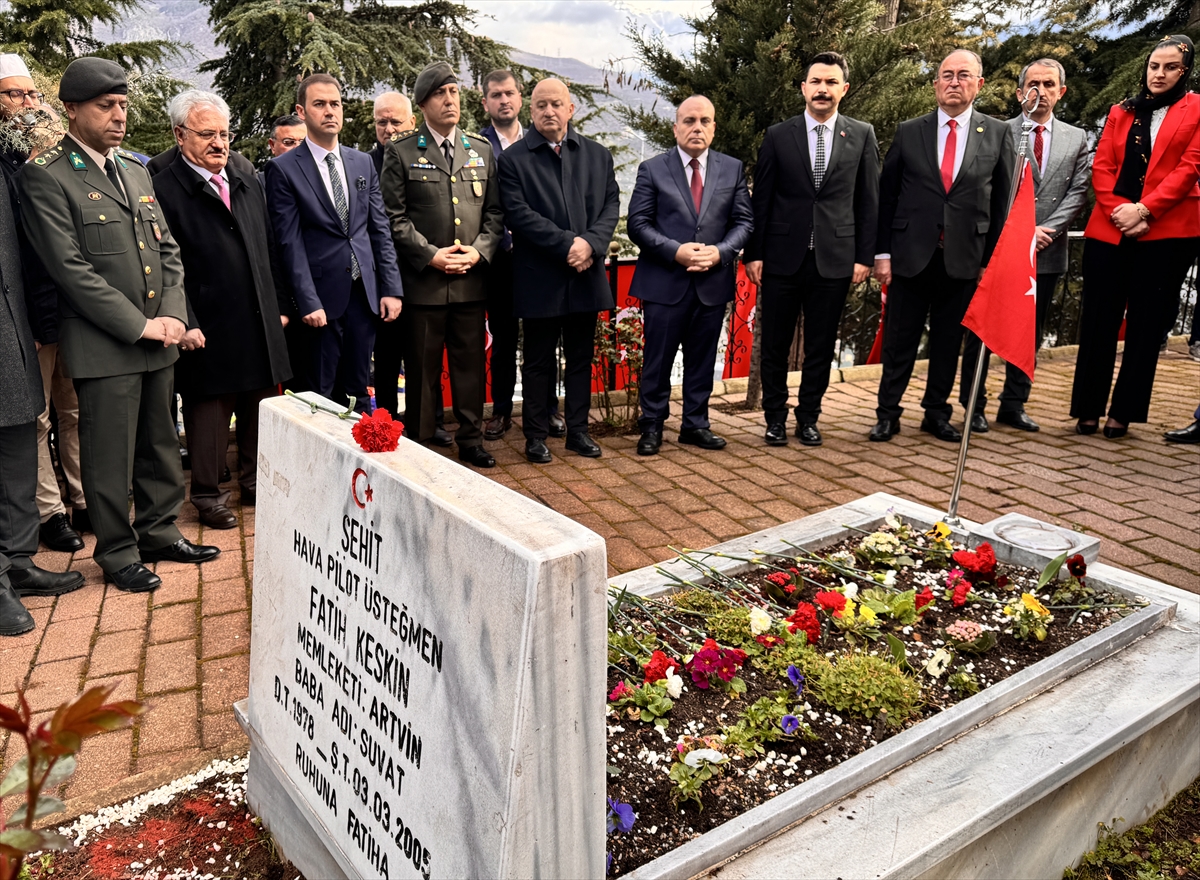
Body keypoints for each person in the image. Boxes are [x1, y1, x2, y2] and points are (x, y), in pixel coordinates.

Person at [19, 57, 220, 593]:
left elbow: (167, 250)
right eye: (105, 106)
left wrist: (174, 313)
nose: (119, 116)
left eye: (124, 106)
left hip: (160, 334)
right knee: (108, 454)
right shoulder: (46, 178)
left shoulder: (134, 169)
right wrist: (140, 325)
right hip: (106, 342)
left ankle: (158, 531)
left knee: (158, 443)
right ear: (71, 109)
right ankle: (116, 551)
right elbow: (70, 271)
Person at [152, 90, 292, 529]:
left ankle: (255, 482)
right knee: (209, 409)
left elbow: (269, 243)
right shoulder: (161, 184)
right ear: (179, 135)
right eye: (207, 134)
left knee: (259, 403)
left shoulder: (244, 172)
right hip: (206, 319)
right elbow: (160, 265)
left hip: (257, 313)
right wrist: (186, 320)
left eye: (224, 134)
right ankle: (208, 495)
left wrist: (281, 304)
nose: (219, 143)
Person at [870, 49, 1014, 443]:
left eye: (963, 75)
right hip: (910, 257)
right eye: (946, 75)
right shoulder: (909, 130)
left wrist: (991, 262)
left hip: (965, 260)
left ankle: (936, 412)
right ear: (935, 84)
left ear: (978, 84)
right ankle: (888, 413)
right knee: (899, 342)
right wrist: (882, 253)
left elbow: (1000, 203)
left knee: (948, 343)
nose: (954, 82)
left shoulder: (998, 133)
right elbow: (888, 198)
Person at [745, 52, 879, 447]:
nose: (823, 89)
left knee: (821, 347)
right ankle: (774, 419)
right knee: (774, 346)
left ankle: (808, 418)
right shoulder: (778, 135)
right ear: (804, 88)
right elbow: (762, 200)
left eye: (831, 82)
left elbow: (868, 201)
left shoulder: (861, 134)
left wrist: (863, 257)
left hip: (835, 261)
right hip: (783, 258)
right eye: (816, 82)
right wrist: (754, 253)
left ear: (844, 89)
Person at [1070, 36, 1200, 439]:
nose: (1159, 74)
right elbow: (1103, 165)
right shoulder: (1120, 111)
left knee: (1146, 325)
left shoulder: (1197, 108)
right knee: (1097, 323)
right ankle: (1087, 409)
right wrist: (1119, 211)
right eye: (1154, 66)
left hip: (1167, 230)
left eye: (1169, 68)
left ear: (1185, 71)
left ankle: (1122, 413)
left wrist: (1145, 210)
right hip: (1111, 227)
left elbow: (1190, 167)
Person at [381, 62, 503, 469]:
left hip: (470, 281)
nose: (449, 100)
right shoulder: (401, 151)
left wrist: (480, 251)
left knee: (470, 368)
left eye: (453, 92)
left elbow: (495, 213)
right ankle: (419, 444)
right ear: (422, 104)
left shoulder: (480, 149)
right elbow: (392, 218)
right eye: (440, 94)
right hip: (425, 284)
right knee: (421, 372)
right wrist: (430, 254)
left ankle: (470, 439)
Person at [960, 58, 1091, 433]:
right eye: (1033, 84)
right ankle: (974, 402)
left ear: (1061, 91)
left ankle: (1014, 404)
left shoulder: (1076, 138)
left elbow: (1079, 191)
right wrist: (1020, 230)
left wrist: (1045, 230)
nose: (1041, 92)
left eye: (1049, 84)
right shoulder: (999, 131)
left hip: (1047, 251)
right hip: (1001, 250)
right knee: (981, 329)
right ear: (1020, 93)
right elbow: (985, 189)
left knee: (1028, 333)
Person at [264, 73, 403, 412]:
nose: (330, 111)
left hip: (363, 297)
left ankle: (359, 463)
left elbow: (378, 229)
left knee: (358, 388)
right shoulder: (282, 169)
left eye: (335, 104)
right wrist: (308, 301)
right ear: (302, 110)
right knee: (320, 394)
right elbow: (289, 242)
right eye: (320, 104)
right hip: (320, 303)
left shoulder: (362, 162)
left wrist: (391, 288)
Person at [498, 79, 620, 463]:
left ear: (571, 109)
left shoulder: (597, 156)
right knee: (537, 361)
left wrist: (591, 244)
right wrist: (569, 244)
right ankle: (535, 435)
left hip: (585, 271)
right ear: (530, 111)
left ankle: (578, 432)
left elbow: (611, 206)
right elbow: (519, 215)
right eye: (540, 105)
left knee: (581, 359)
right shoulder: (514, 159)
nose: (549, 111)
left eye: (556, 104)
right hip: (540, 275)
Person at [628, 95, 753, 456]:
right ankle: (651, 425)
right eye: (689, 120)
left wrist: (721, 252)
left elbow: (744, 221)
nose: (696, 127)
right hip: (665, 283)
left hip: (712, 284)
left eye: (704, 121)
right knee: (658, 360)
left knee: (702, 361)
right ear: (676, 127)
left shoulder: (731, 169)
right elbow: (638, 223)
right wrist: (675, 251)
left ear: (714, 128)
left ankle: (695, 425)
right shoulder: (653, 169)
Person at [0, 54, 88, 551]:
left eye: (33, 94)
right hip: (27, 316)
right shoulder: (7, 167)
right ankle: (49, 513)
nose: (28, 104)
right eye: (15, 95)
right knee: (36, 417)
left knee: (74, 409)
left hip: (69, 308)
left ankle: (84, 500)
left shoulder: (56, 160)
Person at [478, 69, 565, 442]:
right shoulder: (475, 146)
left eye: (510, 93)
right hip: (500, 259)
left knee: (543, 338)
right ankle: (500, 412)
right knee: (502, 337)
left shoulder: (540, 142)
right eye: (496, 95)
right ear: (486, 103)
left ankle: (548, 409)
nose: (504, 100)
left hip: (538, 258)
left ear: (520, 98)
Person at [369, 92, 415, 175]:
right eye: (382, 122)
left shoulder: (430, 160)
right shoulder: (363, 165)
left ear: (412, 122)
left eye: (395, 122)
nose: (389, 130)